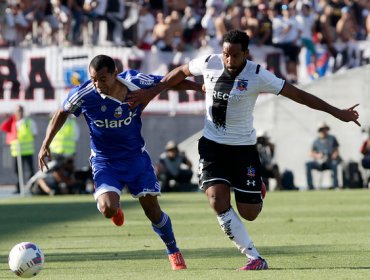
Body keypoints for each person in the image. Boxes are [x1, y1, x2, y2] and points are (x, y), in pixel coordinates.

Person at [127, 29, 360, 270]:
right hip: (212, 146)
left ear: (246, 54)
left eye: (235, 55)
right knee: (217, 201)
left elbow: (297, 94)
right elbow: (180, 73)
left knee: (249, 213)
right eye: (226, 54)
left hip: (243, 149)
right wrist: (151, 93)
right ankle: (254, 258)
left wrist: (337, 112)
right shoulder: (210, 62)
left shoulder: (258, 75)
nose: (229, 60)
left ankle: (258, 187)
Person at [38, 55, 202, 270]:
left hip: (135, 159)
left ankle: (173, 251)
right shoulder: (85, 94)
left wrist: (201, 88)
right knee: (107, 209)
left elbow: (168, 81)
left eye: (102, 79)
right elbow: (62, 112)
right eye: (93, 79)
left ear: (115, 73)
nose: (97, 84)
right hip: (104, 161)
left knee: (152, 211)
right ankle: (116, 209)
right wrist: (45, 144)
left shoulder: (135, 81)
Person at [1, 105, 37, 194]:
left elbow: (34, 134)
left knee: (30, 170)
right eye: (17, 111)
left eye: (20, 111)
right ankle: (19, 187)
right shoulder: (12, 123)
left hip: (27, 151)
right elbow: (4, 128)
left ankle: (31, 187)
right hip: (17, 152)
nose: (19, 113)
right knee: (17, 171)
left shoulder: (29, 122)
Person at [306, 122, 341, 190]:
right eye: (322, 129)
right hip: (319, 162)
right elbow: (310, 153)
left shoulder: (332, 138)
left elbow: (336, 150)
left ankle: (335, 186)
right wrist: (317, 155)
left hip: (330, 161)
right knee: (308, 164)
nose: (323, 131)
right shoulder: (316, 141)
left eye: (325, 129)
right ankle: (310, 187)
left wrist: (334, 155)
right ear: (319, 130)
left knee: (334, 164)